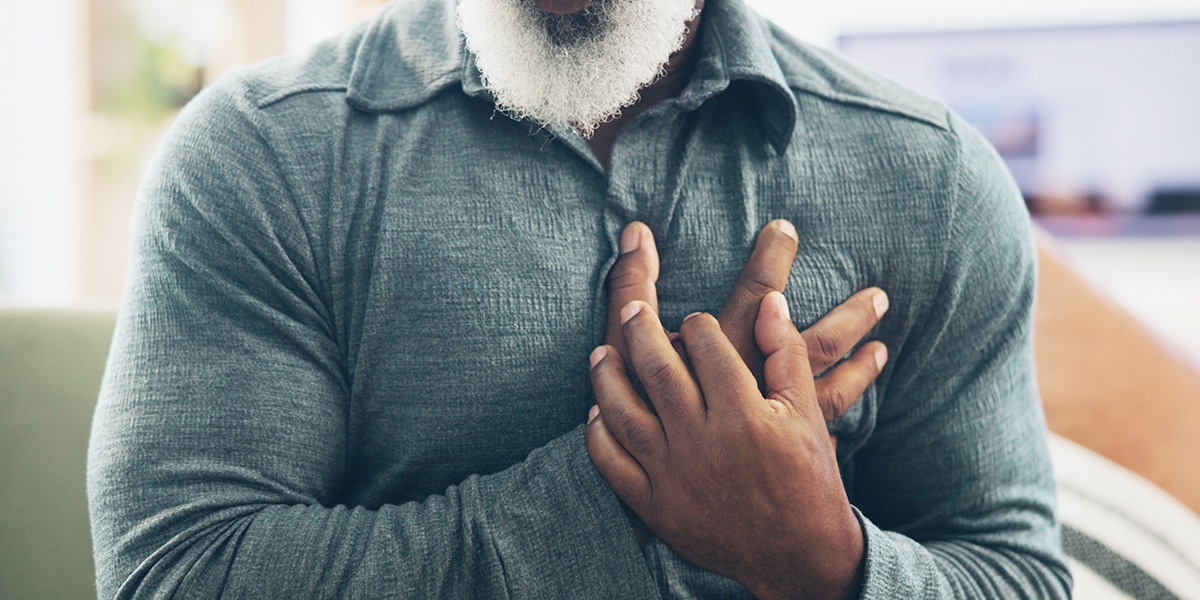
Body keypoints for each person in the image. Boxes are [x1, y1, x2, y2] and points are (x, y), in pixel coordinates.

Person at [87, 0, 1072, 597]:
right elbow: (179, 574)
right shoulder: (259, 154)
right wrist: (653, 498)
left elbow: (1020, 579)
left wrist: (826, 561)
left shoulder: (931, 177)